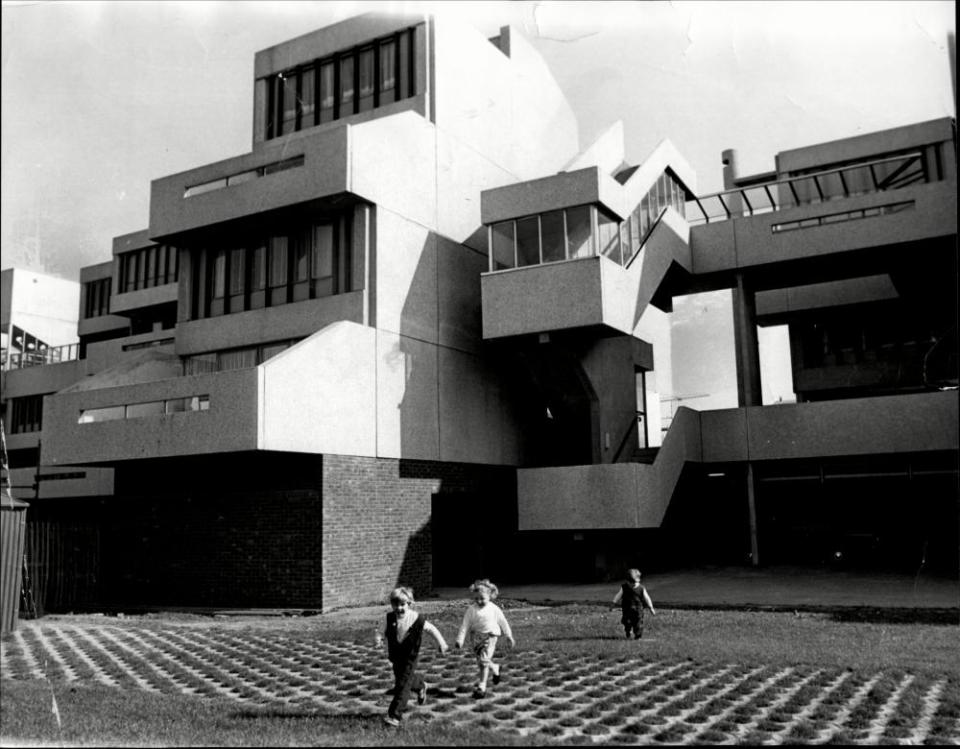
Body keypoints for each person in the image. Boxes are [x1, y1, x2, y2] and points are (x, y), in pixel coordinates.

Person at [376, 586, 448, 727]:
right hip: (396, 656)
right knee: (404, 681)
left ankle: (394, 716)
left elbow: (431, 629)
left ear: (409, 603)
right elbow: (380, 630)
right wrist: (378, 639)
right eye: (395, 604)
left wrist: (442, 643)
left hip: (410, 656)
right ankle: (421, 686)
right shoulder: (388, 618)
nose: (399, 608)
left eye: (402, 604)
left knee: (402, 687)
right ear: (391, 604)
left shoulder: (416, 618)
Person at [455, 578, 514, 698]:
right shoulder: (471, 610)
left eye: (482, 598)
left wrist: (508, 635)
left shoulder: (494, 609)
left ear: (490, 596)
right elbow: (465, 625)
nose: (479, 601)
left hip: (490, 636)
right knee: (481, 661)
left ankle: (482, 687)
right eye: (476, 598)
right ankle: (495, 668)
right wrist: (460, 640)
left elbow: (503, 622)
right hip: (476, 638)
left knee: (483, 661)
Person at [612, 568, 656, 639]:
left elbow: (647, 598)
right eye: (631, 583)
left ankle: (637, 635)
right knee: (627, 622)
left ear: (639, 580)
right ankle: (628, 631)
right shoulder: (624, 587)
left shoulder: (641, 588)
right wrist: (613, 603)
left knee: (638, 623)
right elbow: (618, 596)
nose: (633, 585)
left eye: (635, 582)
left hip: (638, 610)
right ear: (627, 581)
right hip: (627, 609)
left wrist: (651, 608)